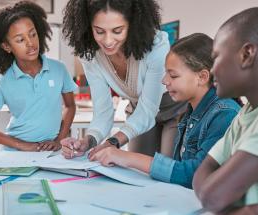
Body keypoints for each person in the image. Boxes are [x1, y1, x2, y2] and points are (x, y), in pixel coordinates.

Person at [88, 33, 240, 188]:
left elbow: (195, 174)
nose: (164, 80)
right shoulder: (192, 111)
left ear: (202, 77)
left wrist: (128, 158)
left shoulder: (224, 114)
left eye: (173, 75)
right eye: (166, 73)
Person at [60, 0, 171, 159]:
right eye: (99, 31)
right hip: (137, 109)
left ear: (132, 25)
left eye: (117, 31)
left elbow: (148, 109)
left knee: (167, 168)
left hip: (173, 109)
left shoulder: (156, 45)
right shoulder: (90, 55)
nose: (108, 41)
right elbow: (103, 111)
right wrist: (88, 140)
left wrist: (113, 141)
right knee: (136, 173)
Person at [0, 1, 77, 152]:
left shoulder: (59, 69)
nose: (30, 43)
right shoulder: (3, 82)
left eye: (32, 34)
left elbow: (70, 106)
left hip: (50, 151)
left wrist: (59, 139)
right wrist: (21, 145)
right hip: (15, 154)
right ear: (7, 46)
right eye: (20, 40)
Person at [193, 7, 258, 213]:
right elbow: (203, 173)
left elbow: (214, 196)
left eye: (216, 57)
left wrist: (218, 198)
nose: (212, 68)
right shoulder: (246, 113)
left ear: (246, 54)